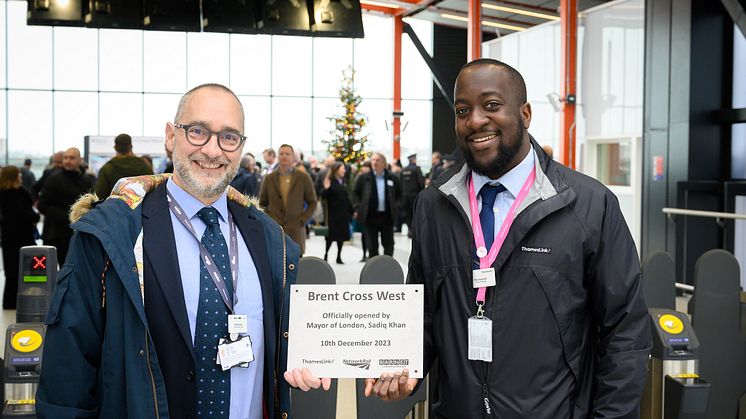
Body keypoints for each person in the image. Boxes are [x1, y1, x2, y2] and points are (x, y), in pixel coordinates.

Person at [364, 59, 651, 419]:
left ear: (526, 113)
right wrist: (408, 367)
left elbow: (626, 332)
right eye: (463, 110)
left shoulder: (589, 206)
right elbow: (422, 316)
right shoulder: (433, 206)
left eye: (492, 105)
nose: (476, 120)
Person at [36, 83, 327, 419]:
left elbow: (289, 346)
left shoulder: (270, 242)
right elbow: (67, 371)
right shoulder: (112, 235)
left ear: (241, 146)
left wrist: (379, 363)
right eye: (198, 131)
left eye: (229, 137)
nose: (214, 150)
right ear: (171, 137)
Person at [37, 147, 95, 264]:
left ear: (80, 160)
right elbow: (43, 204)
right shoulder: (54, 179)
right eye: (65, 158)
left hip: (83, 231)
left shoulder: (87, 179)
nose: (68, 161)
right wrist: (66, 216)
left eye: (72, 158)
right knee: (64, 266)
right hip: (61, 233)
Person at [258, 144, 318, 255]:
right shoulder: (269, 179)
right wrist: (269, 220)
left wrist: (303, 220)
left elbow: (312, 202)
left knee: (296, 265)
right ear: (278, 156)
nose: (284, 156)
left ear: (293, 157)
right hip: (275, 230)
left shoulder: (303, 177)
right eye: (281, 154)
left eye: (287, 154)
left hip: (296, 230)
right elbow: (262, 203)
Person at [0, 165, 40, 309]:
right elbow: (22, 214)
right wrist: (35, 216)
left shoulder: (16, 191)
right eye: (18, 174)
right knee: (14, 270)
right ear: (13, 176)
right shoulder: (9, 194)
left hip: (18, 236)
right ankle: (11, 302)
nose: (21, 176)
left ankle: (16, 301)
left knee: (18, 268)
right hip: (15, 237)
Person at [353, 153, 401, 257]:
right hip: (370, 216)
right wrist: (358, 208)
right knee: (372, 246)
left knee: (388, 245)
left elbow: (400, 194)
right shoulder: (364, 178)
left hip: (387, 216)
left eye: (377, 160)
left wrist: (397, 207)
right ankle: (374, 269)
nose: (374, 162)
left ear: (384, 163)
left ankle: (388, 266)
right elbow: (355, 193)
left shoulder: (393, 177)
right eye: (373, 160)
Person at [95, 133, 155, 199]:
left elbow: (99, 195)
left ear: (115, 148)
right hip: (141, 208)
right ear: (131, 146)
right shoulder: (144, 166)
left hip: (114, 208)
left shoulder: (107, 169)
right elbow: (153, 190)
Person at [319, 162, 354, 264]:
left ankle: (339, 256)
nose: (344, 170)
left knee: (341, 237)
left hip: (343, 214)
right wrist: (326, 188)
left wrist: (352, 211)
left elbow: (347, 199)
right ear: (336, 169)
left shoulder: (343, 182)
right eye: (342, 168)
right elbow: (323, 195)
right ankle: (326, 255)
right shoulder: (330, 181)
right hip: (332, 215)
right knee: (330, 237)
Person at [399, 153, 425, 238]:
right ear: (413, 160)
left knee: (407, 213)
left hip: (405, 196)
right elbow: (421, 182)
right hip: (415, 195)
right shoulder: (417, 169)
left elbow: (400, 184)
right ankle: (415, 231)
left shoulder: (403, 170)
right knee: (416, 213)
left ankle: (410, 230)